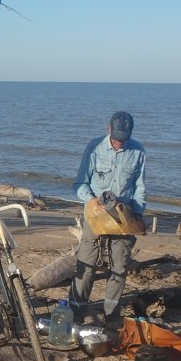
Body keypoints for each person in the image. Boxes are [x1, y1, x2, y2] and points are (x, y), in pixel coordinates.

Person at [67, 110, 146, 327]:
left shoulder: (138, 151)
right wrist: (92, 201)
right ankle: (75, 314)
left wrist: (138, 214)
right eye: (116, 138)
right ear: (108, 129)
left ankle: (111, 317)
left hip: (123, 217)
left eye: (124, 139)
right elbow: (79, 183)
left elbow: (139, 187)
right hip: (95, 216)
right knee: (86, 265)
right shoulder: (94, 148)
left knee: (119, 267)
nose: (120, 143)